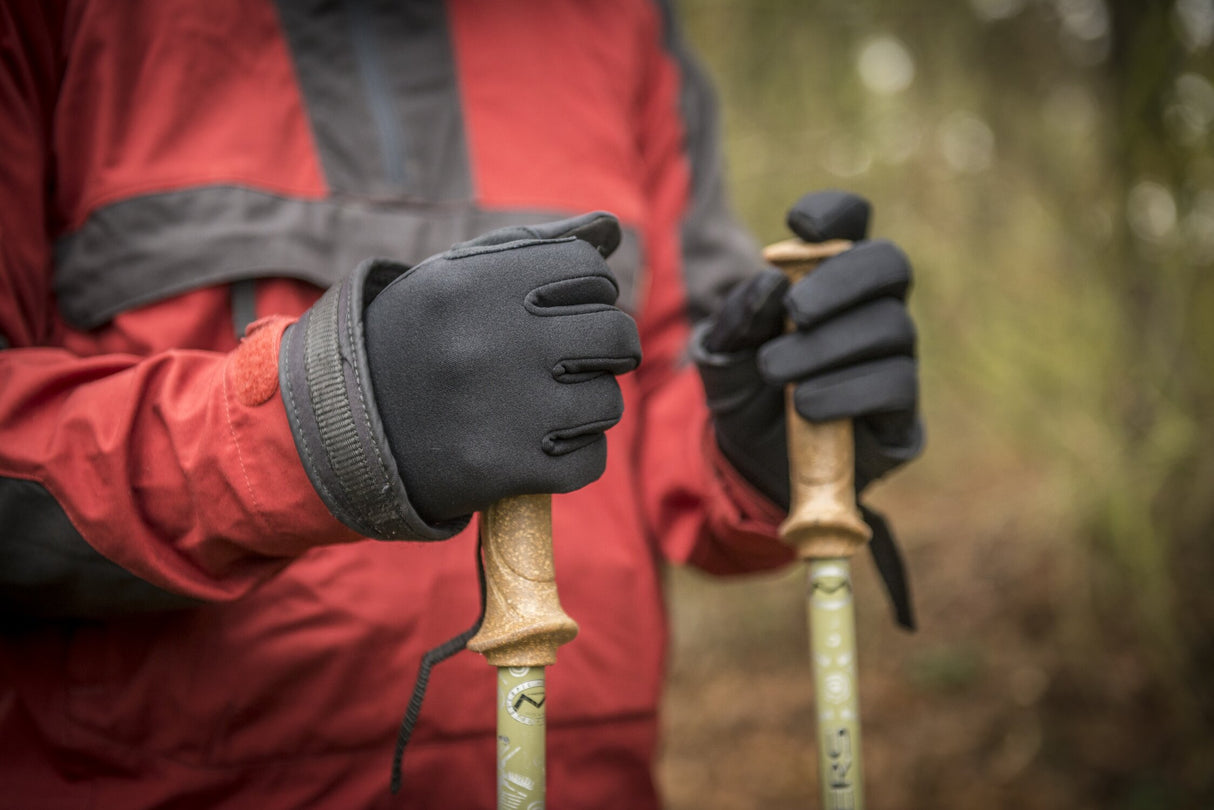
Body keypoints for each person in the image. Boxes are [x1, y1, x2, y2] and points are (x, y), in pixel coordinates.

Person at [0, 1, 922, 807]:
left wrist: (762, 441)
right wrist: (319, 423)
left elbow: (675, 379)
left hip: (583, 781)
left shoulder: (626, 18)